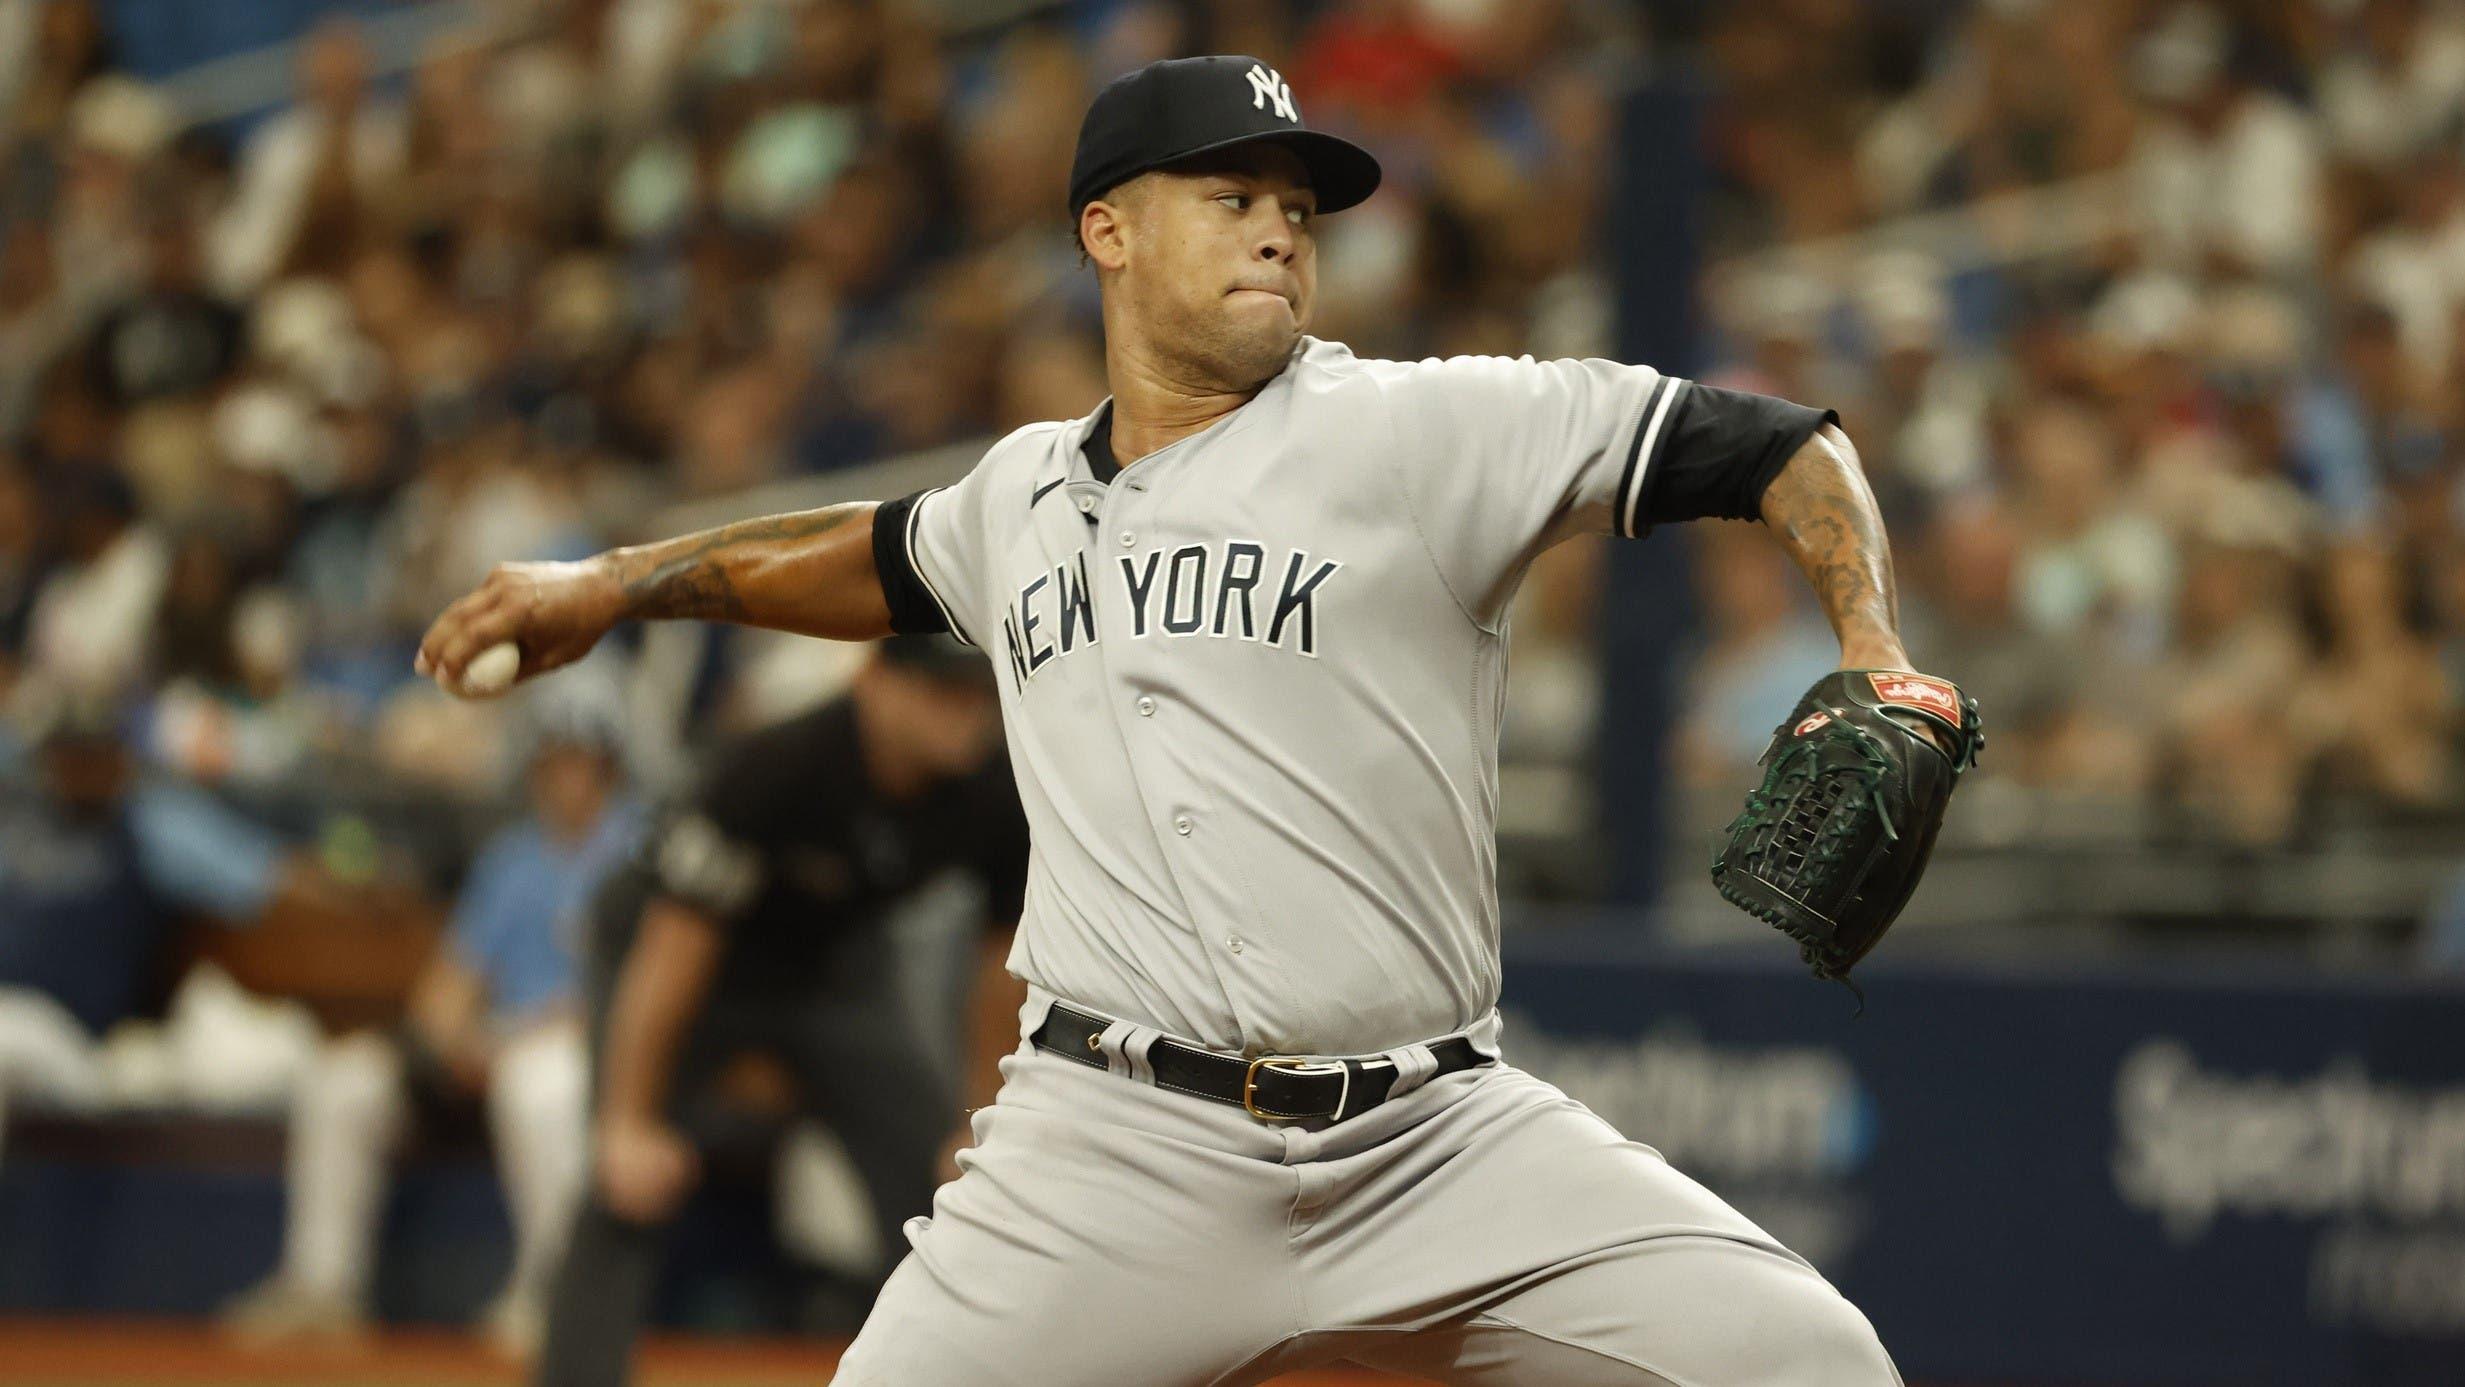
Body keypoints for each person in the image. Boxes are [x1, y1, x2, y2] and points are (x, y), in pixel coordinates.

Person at [419, 54, 1946, 1386]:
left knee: (1813, 1362)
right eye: (1231, 192)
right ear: (1108, 229)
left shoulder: (1420, 426)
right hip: (1114, 1148)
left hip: (1432, 1140)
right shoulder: (1012, 496)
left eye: (1298, 200)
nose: (1282, 222)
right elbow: (851, 554)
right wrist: (612, 582)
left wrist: (1874, 641)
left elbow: (1771, 442)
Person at [534, 634, 1024, 1387]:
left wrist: (975, 1111)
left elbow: (997, 965)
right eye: (939, 692)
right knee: (629, 1172)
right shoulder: (777, 765)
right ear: (874, 681)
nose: (963, 718)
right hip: (679, 962)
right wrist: (627, 1118)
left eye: (976, 696)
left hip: (826, 972)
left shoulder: (993, 789)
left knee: (959, 1177)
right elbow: (673, 947)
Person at [223, 697, 641, 1353]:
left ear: (609, 769)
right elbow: (450, 982)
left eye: (579, 763)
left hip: (582, 1050)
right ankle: (321, 1287)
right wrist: (452, 1038)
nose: (563, 777)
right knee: (343, 1081)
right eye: (551, 763)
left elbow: (636, 987)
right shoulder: (514, 858)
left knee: (539, 1086)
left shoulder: (636, 851)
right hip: (491, 1048)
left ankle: (555, 1296)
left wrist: (509, 1039)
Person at [0, 687, 353, 1161]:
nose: (77, 768)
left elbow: (270, 881)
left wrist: (358, 890)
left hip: (75, 1039)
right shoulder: (20, 822)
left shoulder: (151, 823)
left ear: (118, 757)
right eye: (67, 753)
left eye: (91, 753)